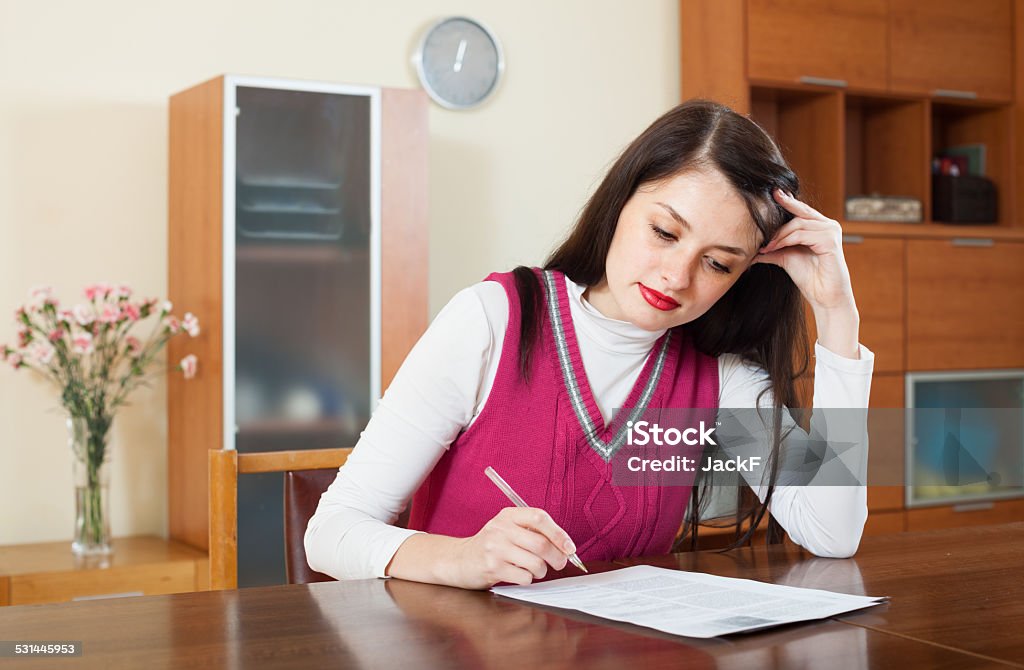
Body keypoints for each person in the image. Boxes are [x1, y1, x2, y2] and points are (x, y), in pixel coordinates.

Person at [305, 99, 873, 590]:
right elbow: (332, 531)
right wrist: (461, 556)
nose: (677, 276)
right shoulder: (494, 322)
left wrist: (836, 318)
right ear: (622, 200)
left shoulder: (718, 378)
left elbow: (831, 534)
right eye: (664, 232)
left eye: (719, 263)